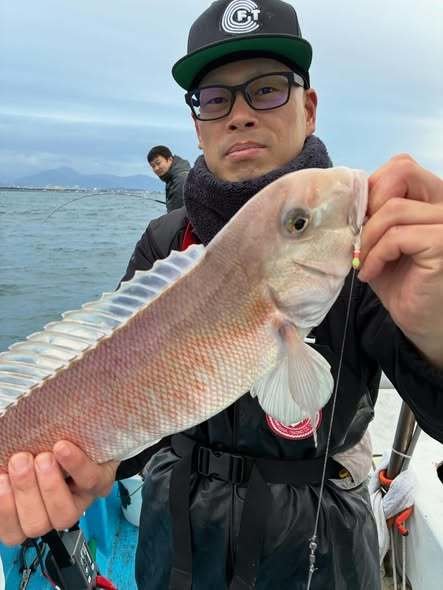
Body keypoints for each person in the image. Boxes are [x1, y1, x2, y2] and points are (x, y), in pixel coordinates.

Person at [1, 1, 443, 589]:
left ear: (309, 108)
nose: (239, 115)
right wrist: (84, 471)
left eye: (267, 89)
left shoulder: (368, 249)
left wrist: (438, 329)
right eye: (215, 99)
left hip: (320, 546)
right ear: (197, 126)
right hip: (177, 541)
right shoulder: (165, 241)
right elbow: (123, 415)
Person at [147, 145, 190, 212]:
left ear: (170, 159)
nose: (156, 168)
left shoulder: (180, 180)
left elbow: (179, 215)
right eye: (153, 166)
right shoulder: (173, 178)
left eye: (158, 163)